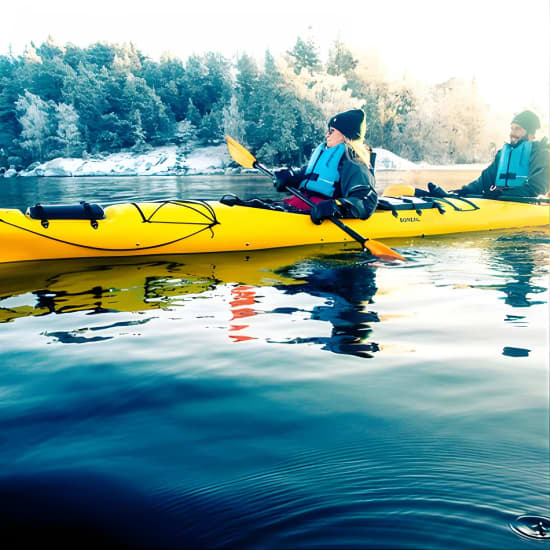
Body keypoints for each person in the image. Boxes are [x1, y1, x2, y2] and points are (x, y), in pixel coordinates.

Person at [272, 109, 378, 224]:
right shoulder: (325, 154)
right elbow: (306, 175)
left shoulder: (354, 163)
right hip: (303, 203)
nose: (326, 135)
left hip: (319, 213)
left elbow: (366, 201)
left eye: (332, 131)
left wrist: (336, 207)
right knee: (255, 204)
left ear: (346, 135)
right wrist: (289, 178)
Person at [454, 110, 549, 198]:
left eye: (518, 129)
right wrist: (464, 191)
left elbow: (537, 189)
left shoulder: (541, 155)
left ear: (530, 134)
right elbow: (484, 181)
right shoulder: (502, 155)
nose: (512, 133)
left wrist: (501, 194)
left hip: (527, 208)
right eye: (512, 129)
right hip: (503, 205)